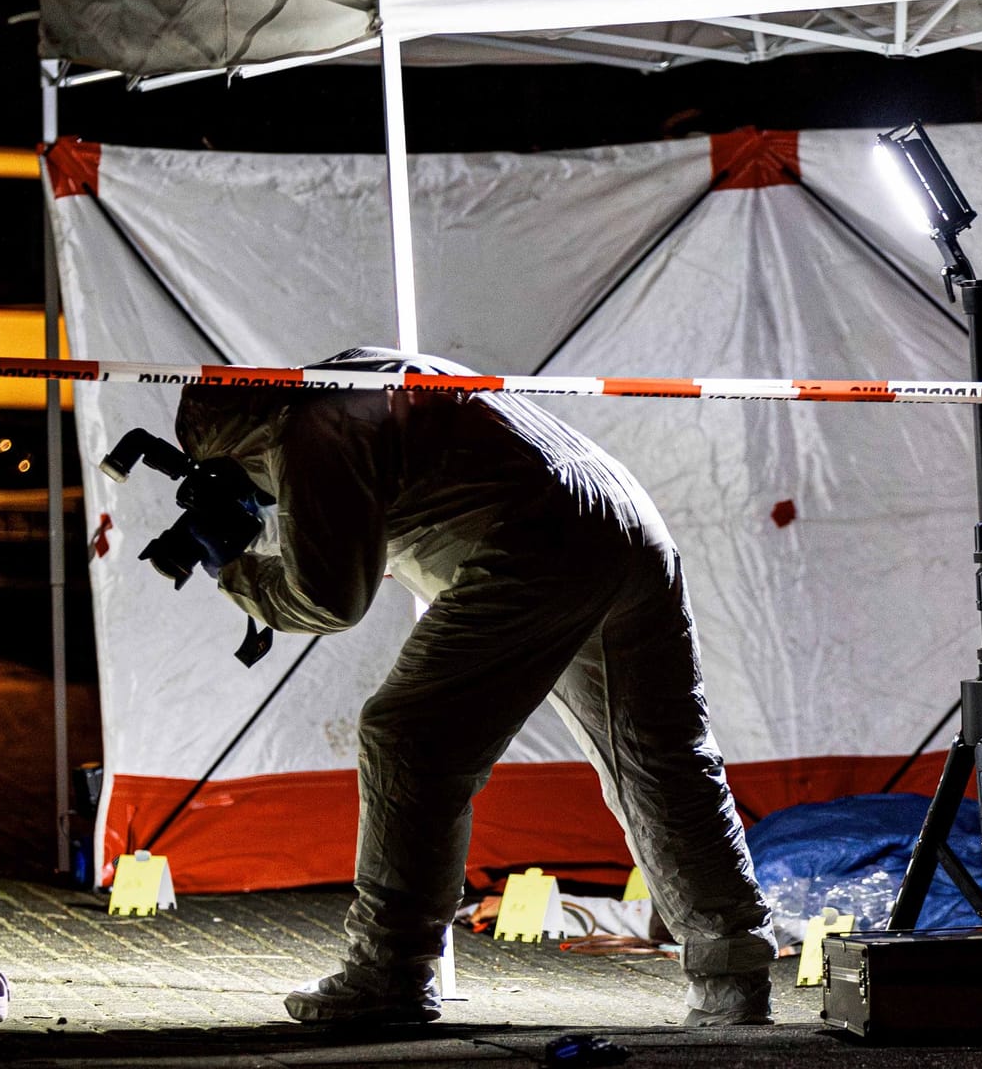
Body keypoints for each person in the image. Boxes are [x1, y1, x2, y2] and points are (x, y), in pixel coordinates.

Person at [171, 347, 777, 1027]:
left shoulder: (307, 431)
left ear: (233, 448)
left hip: (536, 536)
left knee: (407, 734)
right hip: (623, 516)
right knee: (665, 757)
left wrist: (233, 567)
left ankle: (389, 973)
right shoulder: (356, 378)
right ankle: (736, 978)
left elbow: (328, 601)